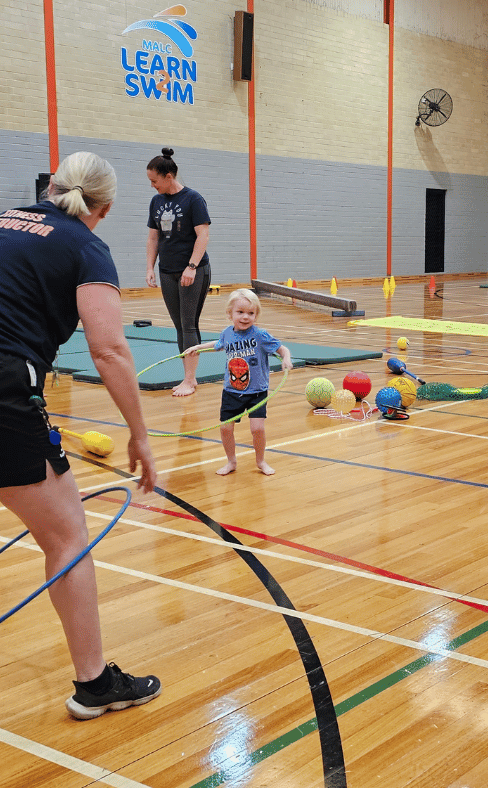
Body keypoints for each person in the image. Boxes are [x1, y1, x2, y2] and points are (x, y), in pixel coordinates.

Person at [0, 151, 161, 719]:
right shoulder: (86, 246)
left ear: (50, 190)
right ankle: (95, 685)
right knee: (68, 538)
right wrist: (140, 435)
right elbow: (109, 349)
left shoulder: (3, 219)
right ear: (106, 208)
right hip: (5, 391)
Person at [185, 289, 292, 476]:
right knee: (226, 428)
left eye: (251, 313)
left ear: (256, 315)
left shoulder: (260, 335)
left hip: (257, 391)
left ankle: (260, 461)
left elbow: (282, 349)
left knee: (257, 429)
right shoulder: (227, 334)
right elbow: (217, 344)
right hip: (232, 391)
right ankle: (231, 461)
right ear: (230, 314)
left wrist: (286, 359)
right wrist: (197, 347)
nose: (245, 317)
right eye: (240, 312)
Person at [145, 147, 211, 397]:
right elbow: (153, 238)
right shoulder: (156, 202)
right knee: (178, 326)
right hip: (167, 271)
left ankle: (190, 379)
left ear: (169, 176)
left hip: (193, 271)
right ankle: (188, 377)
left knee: (188, 323)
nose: (152, 185)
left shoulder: (193, 199)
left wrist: (192, 267)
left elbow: (202, 235)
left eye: (155, 180)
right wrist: (150, 267)